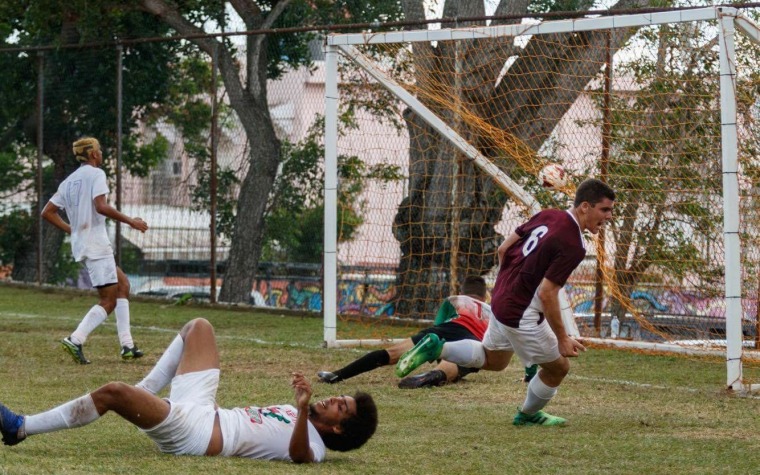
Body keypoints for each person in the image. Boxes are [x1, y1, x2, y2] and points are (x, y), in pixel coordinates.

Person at [0, 318, 378, 463]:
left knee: (112, 393)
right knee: (199, 327)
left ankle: (20, 426)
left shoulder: (314, 447)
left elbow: (298, 457)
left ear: (338, 430)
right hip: (205, 410)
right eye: (339, 398)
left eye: (340, 408)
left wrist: (301, 408)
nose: (332, 400)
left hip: (196, 434)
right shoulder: (308, 417)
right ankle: (146, 389)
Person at [396, 178, 615, 426]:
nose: (608, 216)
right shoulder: (574, 243)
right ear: (585, 206)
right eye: (604, 210)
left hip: (502, 296)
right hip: (521, 312)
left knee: (494, 360)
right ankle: (528, 415)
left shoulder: (548, 215)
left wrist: (509, 284)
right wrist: (562, 338)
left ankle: (437, 348)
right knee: (558, 368)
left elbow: (503, 249)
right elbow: (547, 293)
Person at [317, 276, 536, 389]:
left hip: (448, 327)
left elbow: (440, 320)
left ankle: (337, 375)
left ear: (463, 291)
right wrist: (529, 374)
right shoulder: (493, 310)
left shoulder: (456, 299)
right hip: (475, 340)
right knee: (456, 364)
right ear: (484, 295)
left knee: (392, 352)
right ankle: (431, 376)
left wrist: (434, 335)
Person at [41, 137, 149, 364]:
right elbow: (101, 206)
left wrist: (72, 230)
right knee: (108, 301)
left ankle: (127, 345)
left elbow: (47, 212)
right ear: (93, 154)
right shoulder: (96, 174)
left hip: (85, 243)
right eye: (99, 150)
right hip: (97, 245)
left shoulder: (69, 181)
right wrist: (131, 222)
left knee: (123, 285)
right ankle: (76, 339)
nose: (101, 153)